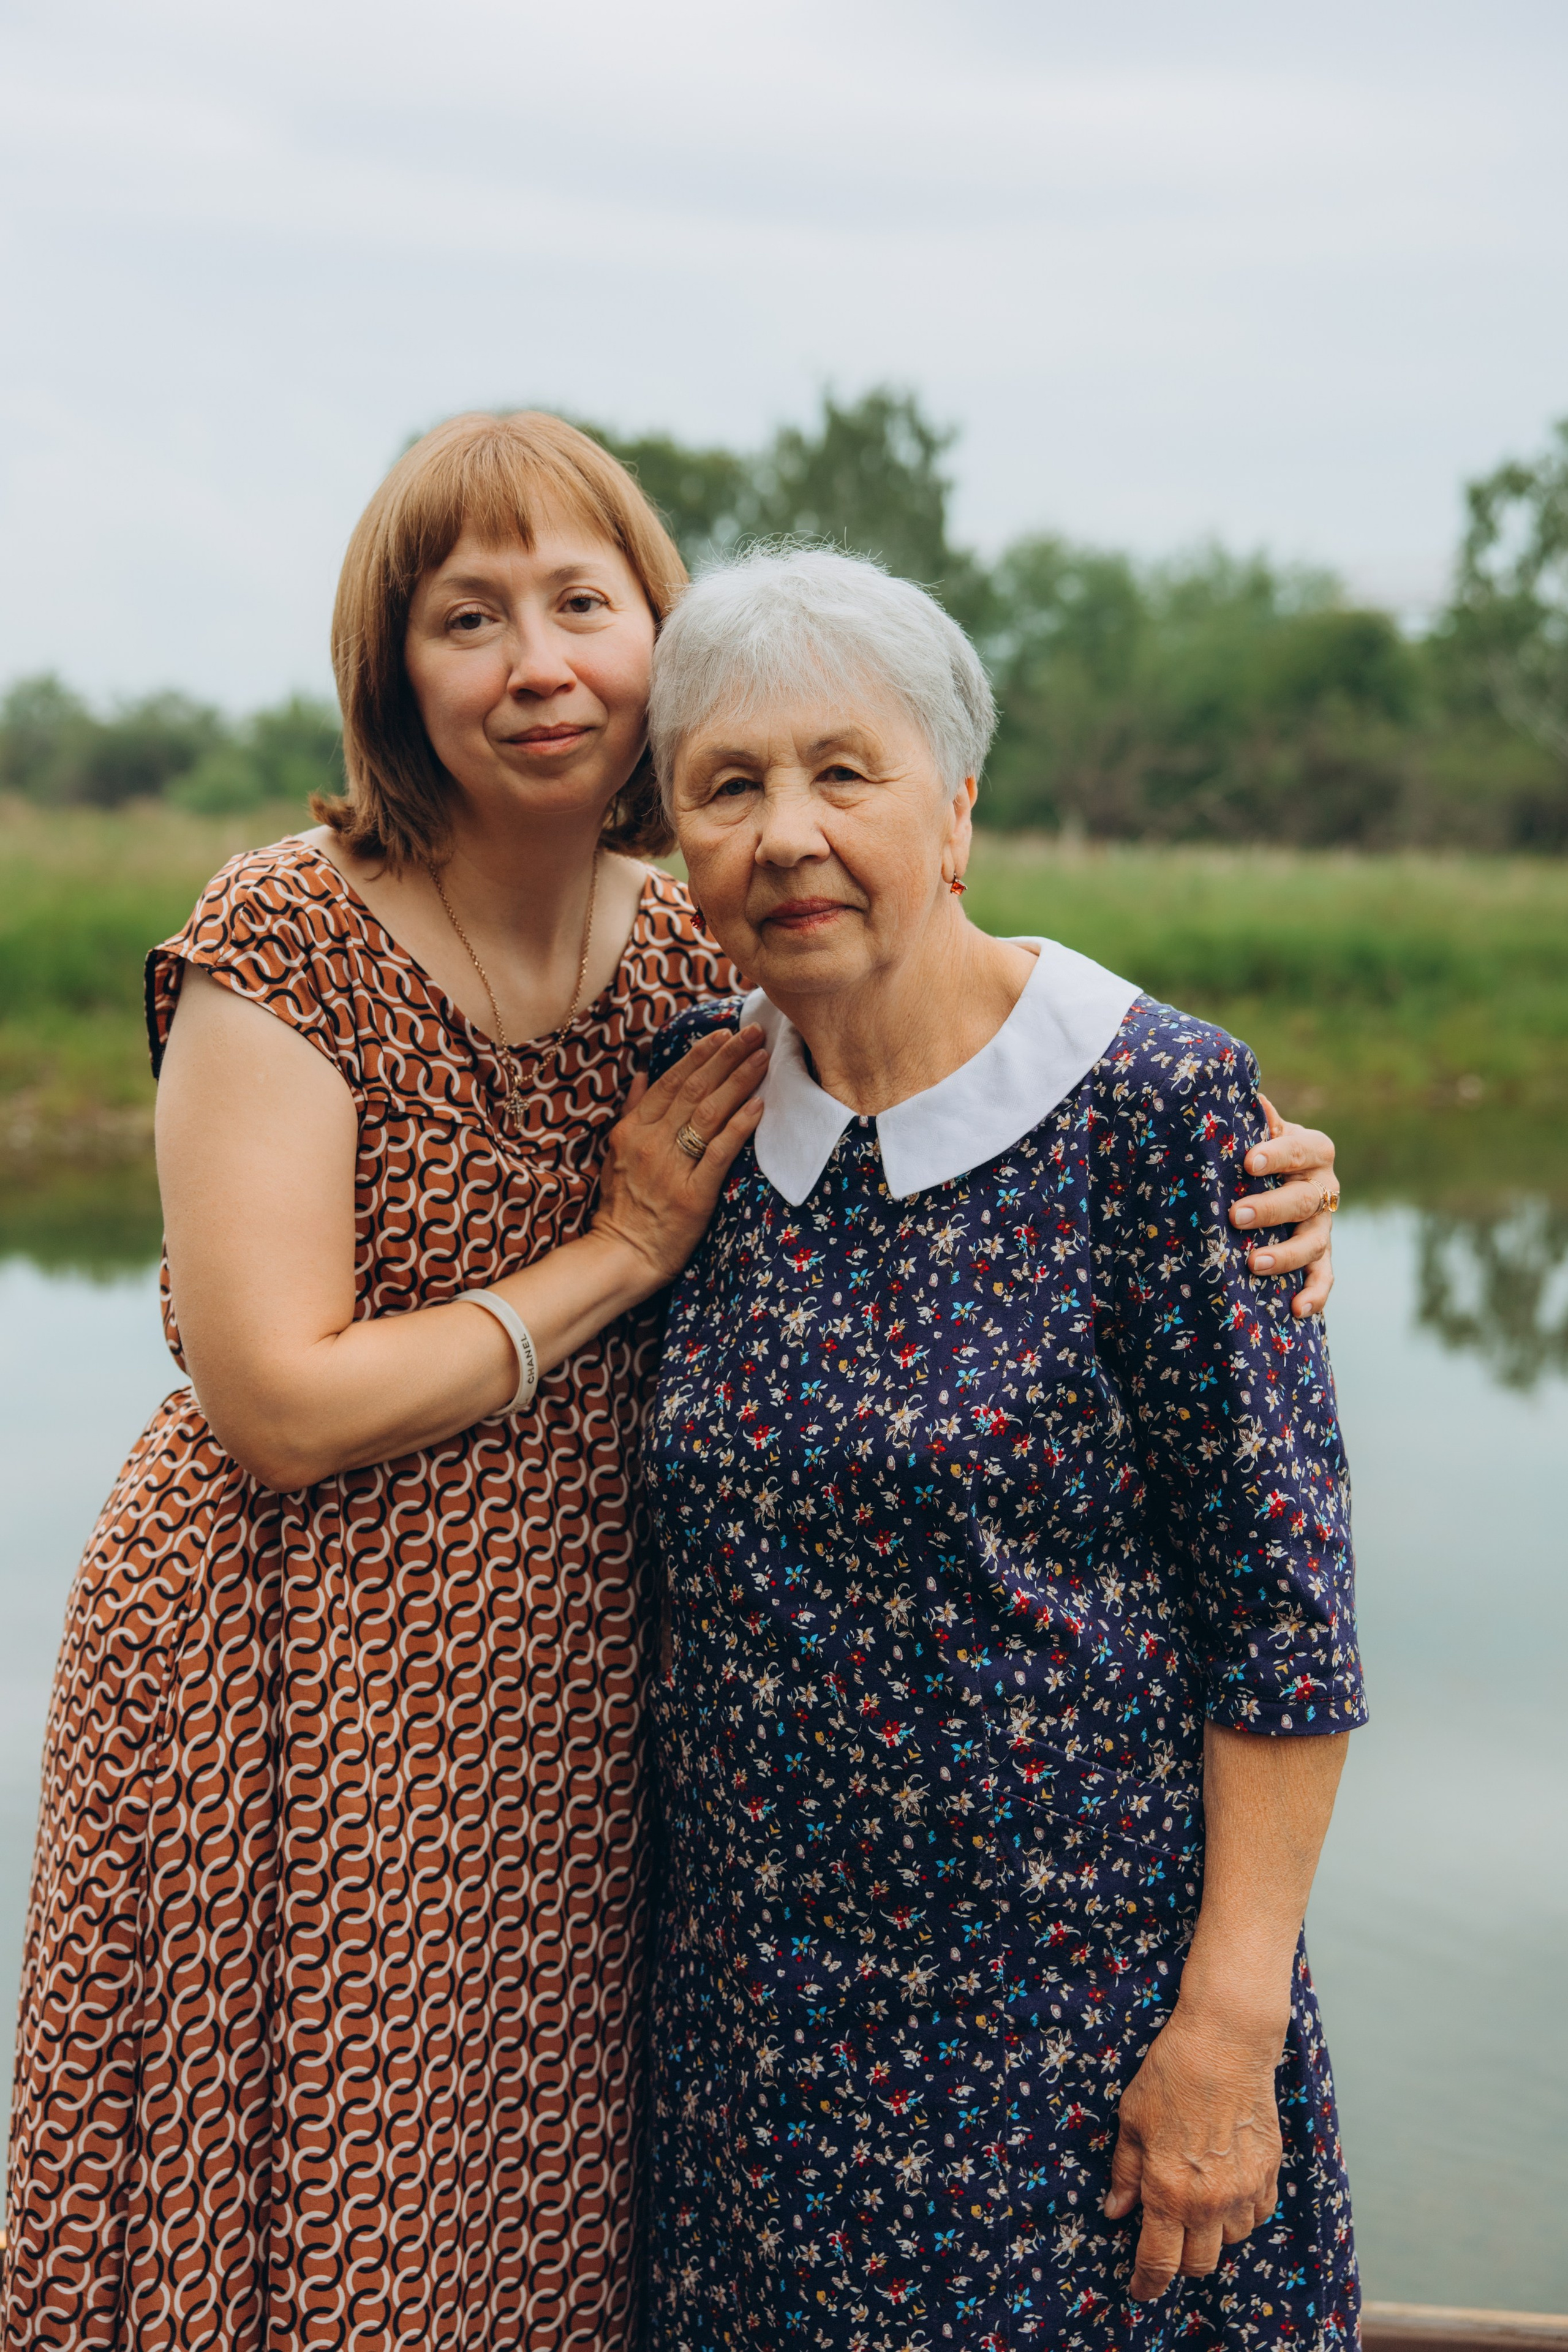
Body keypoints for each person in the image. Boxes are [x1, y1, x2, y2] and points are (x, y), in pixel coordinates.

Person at [2, 418, 1340, 2352]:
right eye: (470, 617)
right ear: (395, 670)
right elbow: (269, 1399)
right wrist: (617, 1257)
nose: (537, 661)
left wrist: (1266, 1177)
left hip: (580, 1700)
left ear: (659, 639)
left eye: (582, 603)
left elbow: (1009, 1081)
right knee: (328, 2226)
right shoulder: (292, 934)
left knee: (542, 2234)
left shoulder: (701, 956)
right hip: (304, 1666)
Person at [642, 549, 1364, 2351]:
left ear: (956, 810)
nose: (787, 832)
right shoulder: (695, 1104)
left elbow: (1286, 1621)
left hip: (1081, 2043)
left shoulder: (1159, 1109)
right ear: (679, 849)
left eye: (843, 771)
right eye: (729, 788)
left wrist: (1229, 2032)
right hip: (756, 2053)